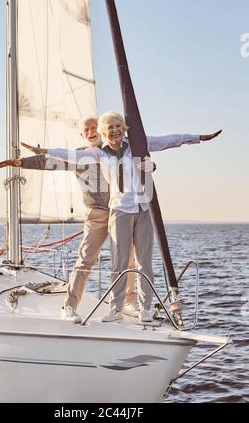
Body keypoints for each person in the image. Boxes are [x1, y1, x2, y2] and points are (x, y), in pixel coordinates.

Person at [38, 111, 221, 323]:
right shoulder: (100, 153)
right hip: (119, 211)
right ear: (103, 132)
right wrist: (45, 151)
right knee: (120, 263)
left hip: (143, 209)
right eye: (110, 127)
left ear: (123, 127)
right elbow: (70, 155)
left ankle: (145, 309)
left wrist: (198, 138)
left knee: (144, 262)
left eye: (118, 126)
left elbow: (170, 140)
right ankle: (115, 310)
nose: (115, 130)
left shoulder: (137, 144)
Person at [0, 118, 140, 323]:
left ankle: (129, 302)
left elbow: (141, 163)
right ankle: (70, 306)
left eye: (94, 128)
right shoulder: (79, 156)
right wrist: (22, 163)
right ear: (83, 135)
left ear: (101, 130)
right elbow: (48, 162)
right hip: (97, 214)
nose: (91, 132)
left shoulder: (118, 150)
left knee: (127, 259)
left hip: (122, 212)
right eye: (87, 130)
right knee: (86, 259)